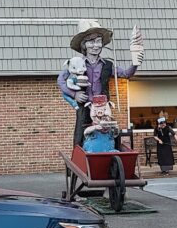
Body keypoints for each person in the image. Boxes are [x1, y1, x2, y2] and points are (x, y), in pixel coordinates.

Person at [57, 20, 144, 148]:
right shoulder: (76, 63)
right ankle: (78, 155)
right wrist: (75, 95)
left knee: (109, 131)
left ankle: (111, 153)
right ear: (84, 45)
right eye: (91, 42)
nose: (96, 45)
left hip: (103, 107)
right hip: (85, 106)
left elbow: (126, 74)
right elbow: (60, 80)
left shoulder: (108, 65)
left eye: (98, 41)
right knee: (80, 131)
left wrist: (135, 64)